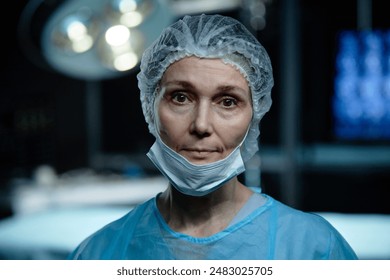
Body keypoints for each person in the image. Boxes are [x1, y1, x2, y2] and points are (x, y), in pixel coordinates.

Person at [68, 14, 358, 260]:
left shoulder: (312, 250)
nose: (202, 125)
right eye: (181, 97)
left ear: (254, 115)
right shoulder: (98, 254)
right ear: (150, 106)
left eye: (228, 101)